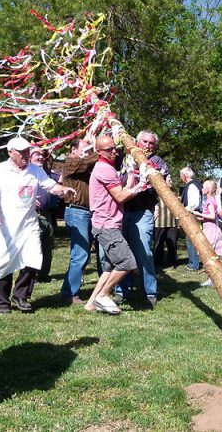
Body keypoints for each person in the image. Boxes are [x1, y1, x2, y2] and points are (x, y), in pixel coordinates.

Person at [0, 137, 75, 314]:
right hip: (5, 226)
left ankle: (21, 296)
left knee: (33, 259)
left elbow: (49, 186)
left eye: (27, 151)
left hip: (29, 225)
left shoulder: (35, 170)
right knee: (3, 263)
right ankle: (1, 303)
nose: (26, 155)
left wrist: (63, 190)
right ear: (10, 152)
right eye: (22, 152)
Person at [84, 135, 143, 315]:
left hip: (108, 223)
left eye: (114, 148)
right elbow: (121, 196)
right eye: (109, 149)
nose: (114, 151)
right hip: (106, 225)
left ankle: (91, 303)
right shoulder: (104, 169)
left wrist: (133, 174)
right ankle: (103, 295)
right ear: (99, 151)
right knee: (127, 262)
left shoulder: (106, 168)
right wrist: (142, 185)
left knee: (110, 267)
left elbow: (123, 190)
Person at [115, 130, 169, 308]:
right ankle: (122, 291)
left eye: (151, 143)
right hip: (122, 211)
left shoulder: (157, 162)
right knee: (123, 253)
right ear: (137, 142)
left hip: (142, 212)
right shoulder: (125, 159)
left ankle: (150, 292)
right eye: (144, 142)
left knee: (144, 253)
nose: (148, 145)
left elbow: (165, 183)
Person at [59, 139, 98, 304]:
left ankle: (71, 290)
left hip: (87, 213)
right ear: (74, 150)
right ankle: (69, 293)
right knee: (80, 253)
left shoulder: (85, 165)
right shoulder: (70, 163)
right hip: (77, 211)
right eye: (85, 149)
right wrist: (98, 149)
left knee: (84, 253)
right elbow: (86, 161)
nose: (88, 152)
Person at [30, 146, 60, 282]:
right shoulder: (27, 174)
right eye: (36, 154)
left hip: (47, 215)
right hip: (32, 215)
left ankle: (43, 275)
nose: (40, 157)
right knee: (34, 247)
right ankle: (31, 276)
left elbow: (61, 180)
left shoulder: (46, 173)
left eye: (42, 154)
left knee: (48, 246)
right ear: (28, 156)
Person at [193, 180, 222, 286]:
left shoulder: (210, 201)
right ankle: (212, 278)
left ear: (207, 190)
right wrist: (200, 217)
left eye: (203, 187)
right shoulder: (210, 200)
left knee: (209, 253)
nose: (201, 189)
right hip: (210, 228)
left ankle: (212, 278)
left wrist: (198, 213)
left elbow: (212, 216)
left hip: (211, 230)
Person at [180, 167, 203, 271]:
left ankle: (193, 265)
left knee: (191, 240)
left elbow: (194, 203)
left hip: (192, 215)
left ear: (185, 175)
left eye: (181, 175)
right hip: (193, 214)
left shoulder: (192, 186)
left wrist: (184, 210)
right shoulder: (194, 184)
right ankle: (194, 263)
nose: (181, 178)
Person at [153, 176, 179, 269]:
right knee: (158, 244)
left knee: (172, 243)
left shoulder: (173, 193)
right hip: (159, 222)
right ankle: (158, 263)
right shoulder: (156, 193)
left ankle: (172, 262)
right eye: (169, 180)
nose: (171, 181)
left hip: (172, 222)